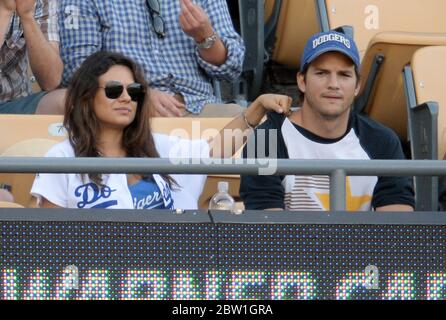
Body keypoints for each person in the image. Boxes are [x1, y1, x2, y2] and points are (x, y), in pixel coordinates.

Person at [30, 51, 291, 209]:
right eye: (113, 90)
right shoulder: (62, 158)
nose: (126, 98)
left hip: (164, 272)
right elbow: (52, 238)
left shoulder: (158, 146)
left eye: (133, 91)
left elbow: (215, 150)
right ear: (86, 98)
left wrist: (256, 109)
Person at [240, 31, 415, 212]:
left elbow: (396, 229)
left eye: (344, 75)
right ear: (302, 81)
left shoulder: (382, 140)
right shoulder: (265, 139)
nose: (333, 84)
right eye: (322, 73)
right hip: (292, 241)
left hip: (363, 241)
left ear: (357, 86)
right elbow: (268, 228)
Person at [59, 0, 245, 117]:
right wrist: (137, 93)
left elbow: (233, 67)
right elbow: (78, 70)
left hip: (199, 106)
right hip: (128, 109)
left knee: (257, 126)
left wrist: (205, 36)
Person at [0, 0, 65, 114]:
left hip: (15, 101)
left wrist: (27, 16)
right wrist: (5, 11)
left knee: (67, 101)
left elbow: (51, 82)